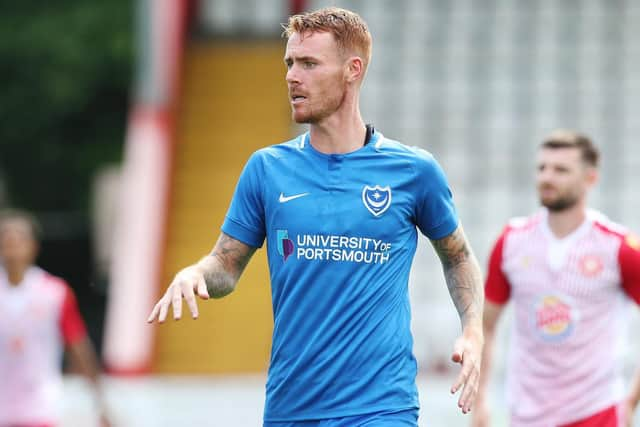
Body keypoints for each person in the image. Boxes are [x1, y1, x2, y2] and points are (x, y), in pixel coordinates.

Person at [147, 7, 484, 426]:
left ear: (352, 70)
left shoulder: (414, 171)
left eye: (308, 63)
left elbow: (457, 255)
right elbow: (226, 267)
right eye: (289, 63)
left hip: (380, 407)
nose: (291, 76)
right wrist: (196, 272)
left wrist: (473, 328)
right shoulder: (266, 169)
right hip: (291, 407)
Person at [472, 130, 640, 427]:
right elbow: (485, 324)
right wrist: (481, 399)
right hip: (526, 415)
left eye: (561, 170)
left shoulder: (618, 248)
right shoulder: (512, 242)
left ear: (590, 179)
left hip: (595, 412)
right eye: (542, 168)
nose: (547, 177)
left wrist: (630, 401)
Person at [0, 209, 111, 427]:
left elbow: (78, 346)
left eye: (18, 238)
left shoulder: (54, 292)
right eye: (5, 238)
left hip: (39, 408)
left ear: (33, 246)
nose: (11, 245)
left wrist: (100, 402)